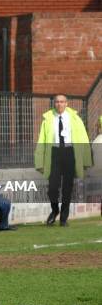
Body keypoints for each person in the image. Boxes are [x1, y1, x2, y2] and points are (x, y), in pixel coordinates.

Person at [35, 94, 92, 227]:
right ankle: (55, 210)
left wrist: (86, 161)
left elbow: (83, 138)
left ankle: (64, 218)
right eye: (57, 102)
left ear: (67, 103)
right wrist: (39, 161)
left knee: (68, 188)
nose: (59, 104)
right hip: (54, 153)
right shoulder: (48, 119)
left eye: (62, 102)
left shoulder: (75, 119)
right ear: (54, 104)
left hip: (69, 153)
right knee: (53, 188)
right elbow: (41, 141)